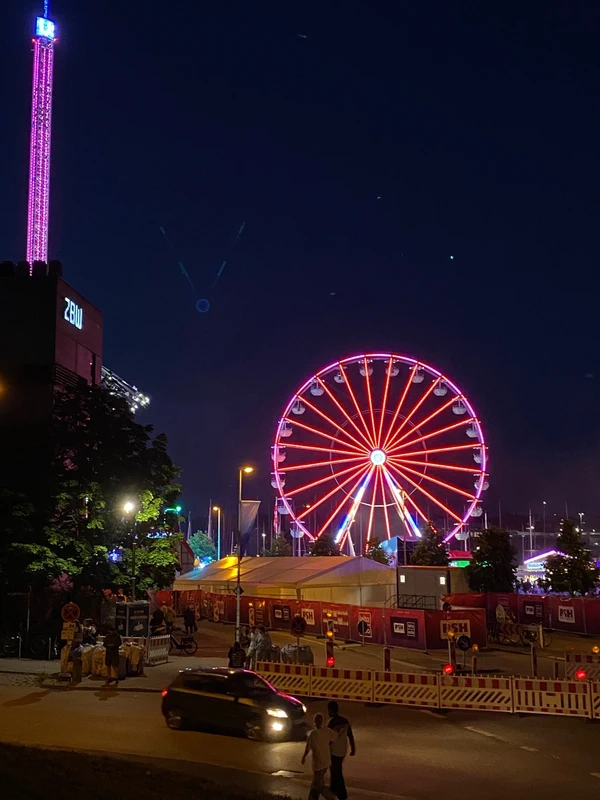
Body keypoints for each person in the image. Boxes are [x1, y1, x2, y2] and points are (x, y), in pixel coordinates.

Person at [301, 713, 338, 800]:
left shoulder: (313, 734)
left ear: (315, 722)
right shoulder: (327, 731)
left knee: (318, 785)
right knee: (316, 781)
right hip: (326, 762)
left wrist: (303, 757)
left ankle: (331, 797)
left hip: (318, 764)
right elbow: (335, 737)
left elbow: (308, 748)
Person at [327, 700, 356, 800]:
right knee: (335, 770)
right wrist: (353, 748)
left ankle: (342, 794)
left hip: (334, 751)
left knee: (337, 772)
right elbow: (350, 735)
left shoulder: (331, 722)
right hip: (342, 750)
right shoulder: (345, 721)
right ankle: (333, 789)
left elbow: (328, 738)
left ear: (330, 710)